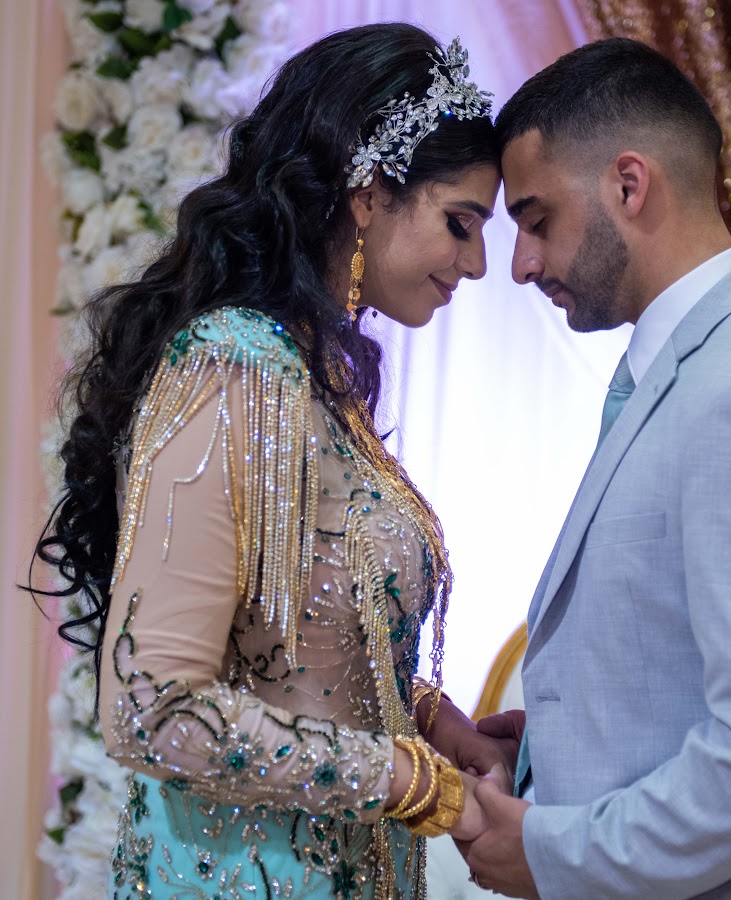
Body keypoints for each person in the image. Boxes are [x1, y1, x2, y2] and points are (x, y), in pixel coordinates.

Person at [31, 23, 509, 899]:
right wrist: (415, 784)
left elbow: (300, 650)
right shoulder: (233, 367)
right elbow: (152, 708)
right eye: (460, 223)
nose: (476, 263)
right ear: (369, 192)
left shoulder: (318, 377)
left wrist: (440, 725)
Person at [459, 37, 731, 899]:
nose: (521, 265)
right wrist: (555, 747)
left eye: (537, 220)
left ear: (629, 185)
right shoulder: (698, 368)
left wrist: (557, 854)